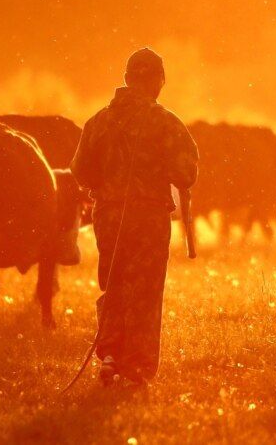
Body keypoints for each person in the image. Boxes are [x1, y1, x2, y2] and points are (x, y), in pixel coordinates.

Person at [70, 47, 199, 386]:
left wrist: (107, 185)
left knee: (113, 284)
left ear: (127, 79)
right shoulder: (165, 122)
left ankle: (110, 355)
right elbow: (186, 173)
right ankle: (138, 368)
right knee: (145, 288)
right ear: (159, 81)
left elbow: (80, 171)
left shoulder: (98, 121)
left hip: (108, 217)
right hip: (149, 217)